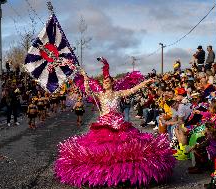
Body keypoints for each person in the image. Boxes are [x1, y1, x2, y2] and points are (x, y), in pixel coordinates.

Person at [54, 58, 175, 188]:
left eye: (107, 81)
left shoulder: (118, 93)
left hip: (119, 123)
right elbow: (88, 92)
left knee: (125, 148)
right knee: (102, 150)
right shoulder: (99, 94)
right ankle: (104, 174)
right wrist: (85, 77)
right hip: (104, 124)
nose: (105, 83)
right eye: (104, 81)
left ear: (112, 83)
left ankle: (123, 174)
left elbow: (133, 90)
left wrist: (145, 82)